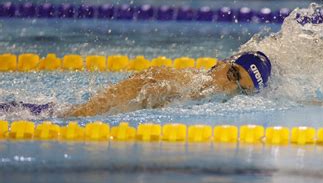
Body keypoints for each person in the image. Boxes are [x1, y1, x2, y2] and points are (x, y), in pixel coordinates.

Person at [61, 51, 272, 117]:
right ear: (220, 64)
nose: (230, 87)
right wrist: (83, 113)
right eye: (233, 74)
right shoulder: (187, 82)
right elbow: (146, 78)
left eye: (241, 89)